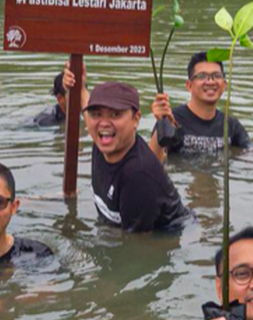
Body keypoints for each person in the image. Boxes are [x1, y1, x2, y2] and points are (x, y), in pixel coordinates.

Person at [81, 80, 192, 232]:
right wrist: (80, 86)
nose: (104, 123)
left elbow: (136, 248)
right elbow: (86, 108)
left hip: (171, 235)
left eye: (115, 114)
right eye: (96, 114)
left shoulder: (137, 176)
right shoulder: (102, 141)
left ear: (136, 119)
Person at [148, 52, 253, 161]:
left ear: (224, 85)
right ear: (189, 85)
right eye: (202, 76)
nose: (210, 81)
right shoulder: (172, 119)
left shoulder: (230, 125)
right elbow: (151, 162)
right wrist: (162, 123)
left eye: (216, 76)